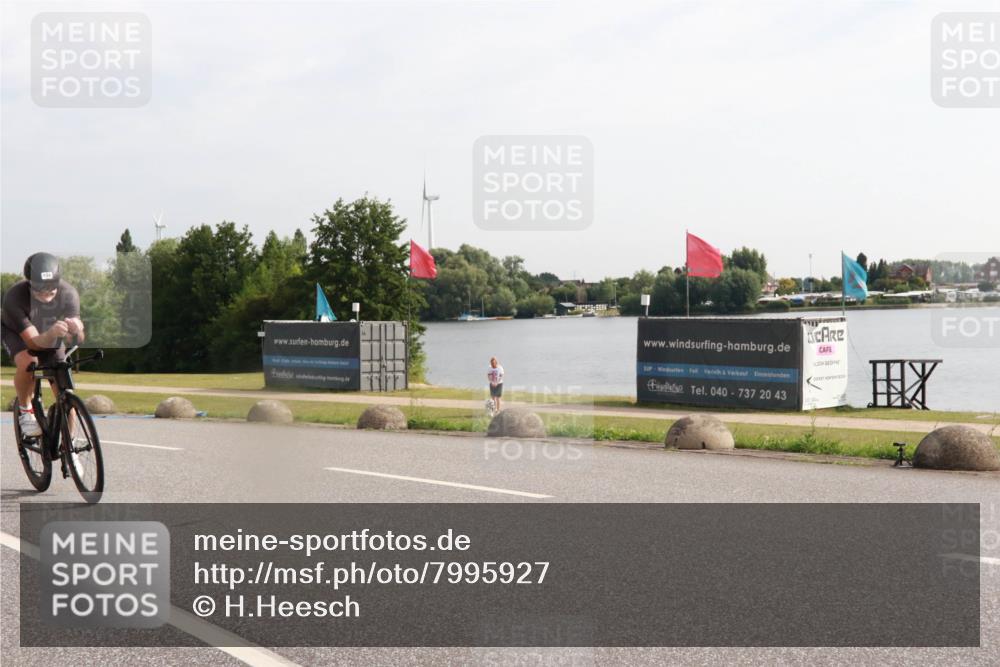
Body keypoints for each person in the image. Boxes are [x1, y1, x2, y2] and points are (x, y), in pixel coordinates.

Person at [1, 253, 84, 437]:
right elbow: (33, 343)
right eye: (40, 290)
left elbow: (78, 340)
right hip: (16, 333)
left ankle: (70, 450)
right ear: (29, 282)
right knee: (29, 362)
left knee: (65, 388)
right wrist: (53, 333)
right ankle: (25, 410)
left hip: (49, 331)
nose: (46, 295)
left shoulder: (69, 293)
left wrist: (76, 330)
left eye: (51, 290)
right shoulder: (15, 297)